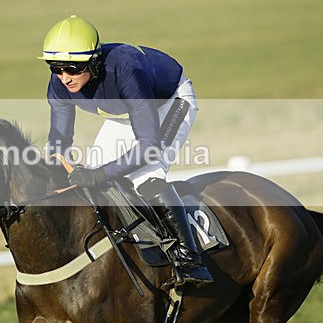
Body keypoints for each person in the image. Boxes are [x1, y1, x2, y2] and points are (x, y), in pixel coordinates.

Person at [41, 15, 213, 288]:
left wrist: (98, 175)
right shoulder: (58, 85)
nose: (64, 77)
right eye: (56, 68)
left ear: (94, 61)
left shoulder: (125, 69)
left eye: (73, 68)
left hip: (169, 103)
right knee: (93, 178)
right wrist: (53, 174)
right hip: (124, 114)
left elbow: (149, 146)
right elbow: (59, 142)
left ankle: (190, 260)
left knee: (145, 176)